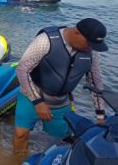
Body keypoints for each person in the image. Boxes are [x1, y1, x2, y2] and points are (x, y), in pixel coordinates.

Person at [13, 18, 108, 154]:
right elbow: (22, 70)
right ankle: (19, 160)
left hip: (60, 101)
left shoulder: (91, 51)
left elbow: (96, 81)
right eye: (89, 43)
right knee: (21, 134)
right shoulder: (45, 40)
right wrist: (38, 102)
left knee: (61, 141)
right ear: (76, 32)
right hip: (31, 95)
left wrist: (100, 115)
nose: (90, 48)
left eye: (93, 45)